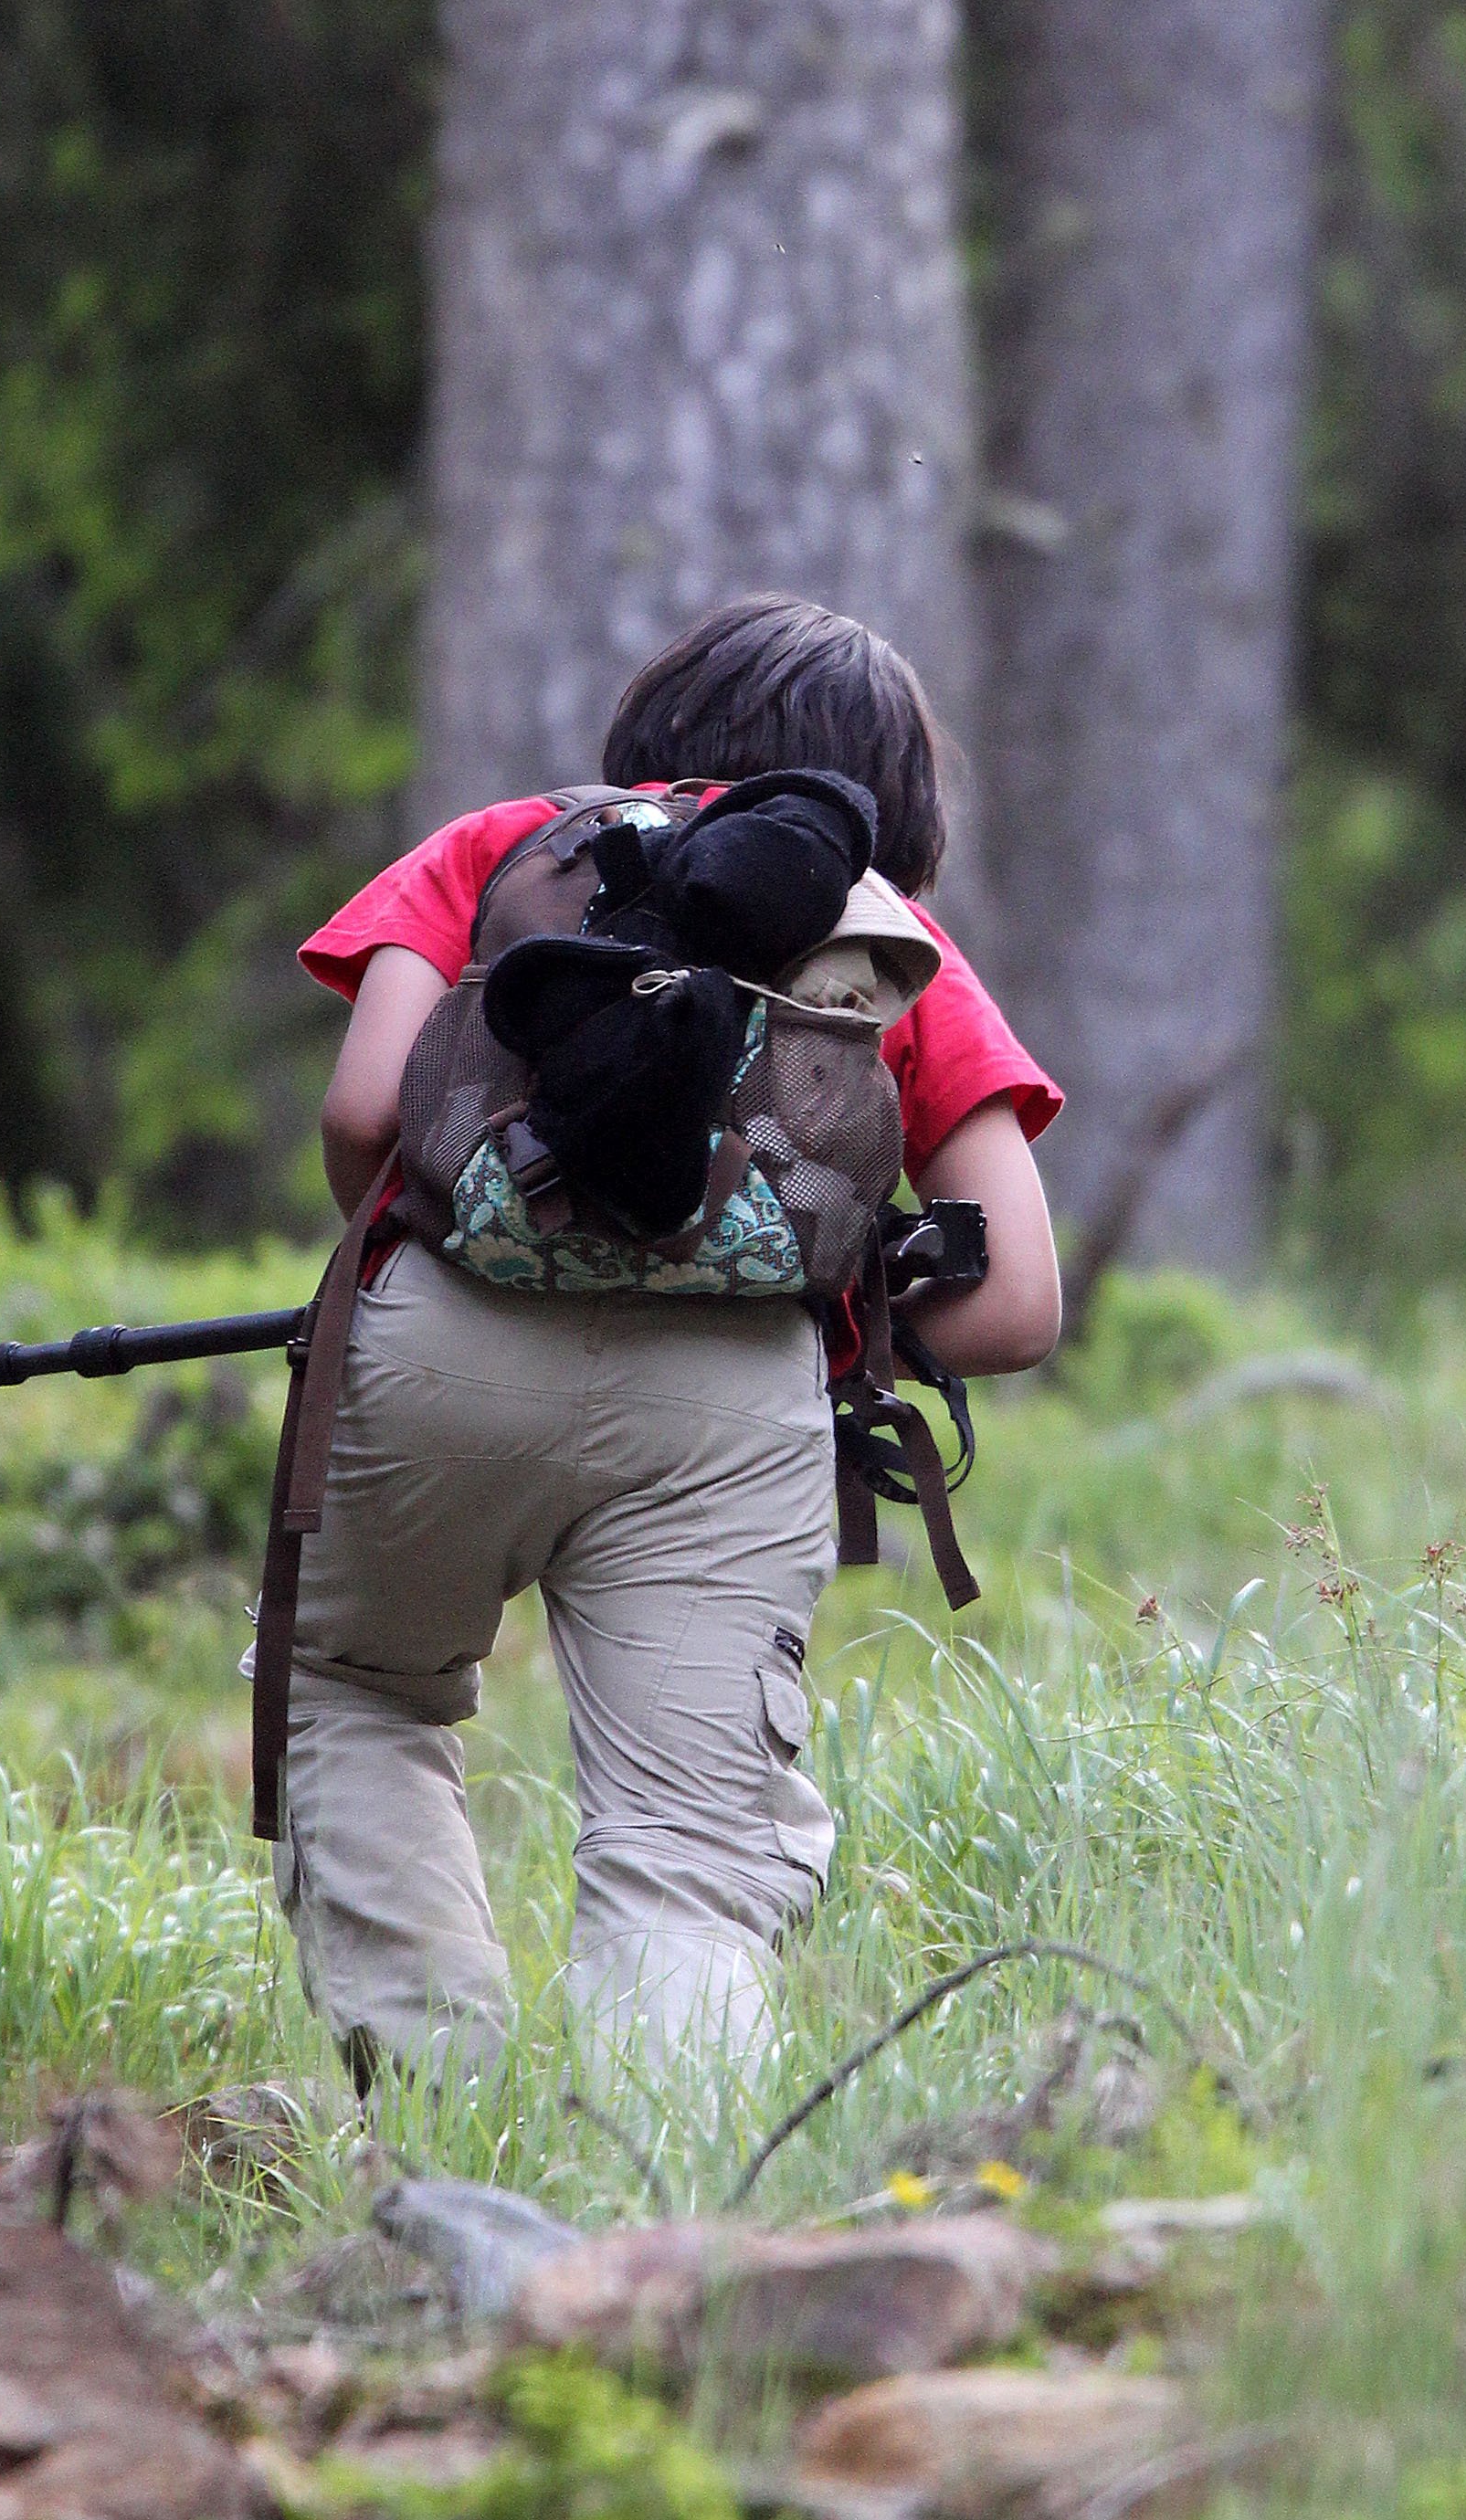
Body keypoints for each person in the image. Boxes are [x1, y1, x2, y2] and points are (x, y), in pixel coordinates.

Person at [279, 596, 1063, 2084]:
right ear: (891, 804)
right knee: (686, 1849)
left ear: (649, 733)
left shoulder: (495, 844)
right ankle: (684, 2198)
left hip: (441, 1346)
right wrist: (836, 1295)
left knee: (362, 1690)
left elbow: (365, 1113)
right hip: (730, 1409)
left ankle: (443, 2111)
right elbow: (1014, 1300)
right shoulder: (893, 942)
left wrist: (416, 1251)